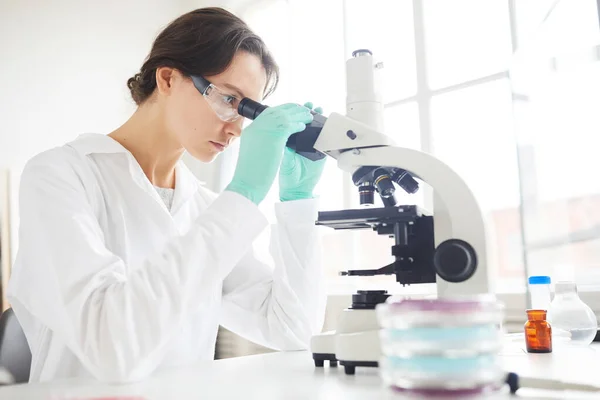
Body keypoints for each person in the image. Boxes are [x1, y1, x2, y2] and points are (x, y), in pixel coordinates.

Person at [7, 7, 327, 383]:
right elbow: (112, 347)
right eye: (229, 101)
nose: (237, 130)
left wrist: (298, 206)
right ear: (168, 78)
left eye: (247, 113)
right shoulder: (61, 174)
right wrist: (242, 196)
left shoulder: (203, 207)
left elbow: (291, 328)